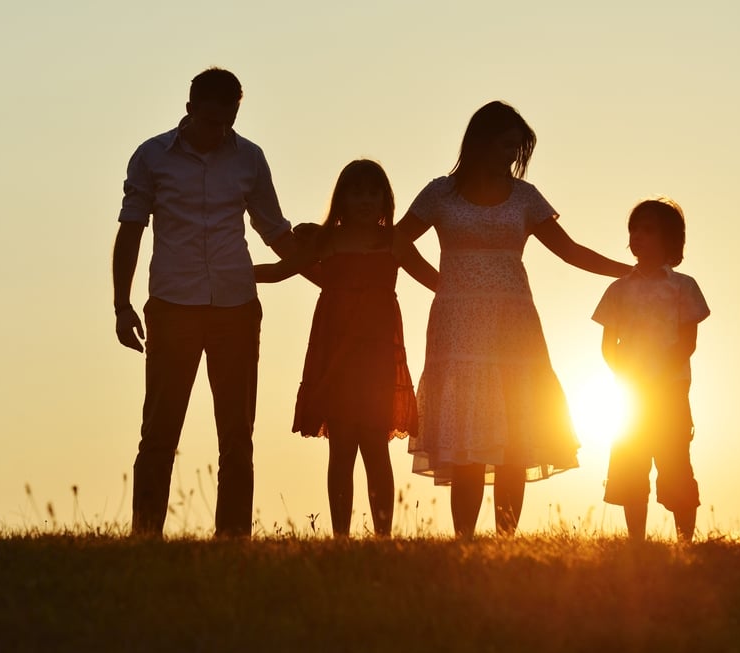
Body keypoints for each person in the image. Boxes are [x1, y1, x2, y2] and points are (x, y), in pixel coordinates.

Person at [393, 101, 632, 538]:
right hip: (457, 324)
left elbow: (570, 250)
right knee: (465, 441)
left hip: (513, 323)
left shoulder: (526, 197)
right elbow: (397, 242)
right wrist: (440, 283)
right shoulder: (440, 193)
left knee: (513, 440)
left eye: (517, 148)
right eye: (506, 145)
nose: (512, 155)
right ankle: (464, 541)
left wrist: (629, 271)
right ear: (481, 142)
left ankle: (506, 541)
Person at [112, 67, 301, 538]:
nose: (220, 131)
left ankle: (233, 539)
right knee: (159, 430)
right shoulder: (152, 156)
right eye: (212, 120)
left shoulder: (250, 159)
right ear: (190, 107)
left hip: (236, 308)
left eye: (228, 121)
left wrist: (330, 270)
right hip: (173, 305)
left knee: (237, 435)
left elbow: (274, 229)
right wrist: (121, 304)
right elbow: (131, 228)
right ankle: (145, 535)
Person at [255, 160, 436, 536]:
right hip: (335, 356)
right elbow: (278, 271)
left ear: (385, 199)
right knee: (340, 449)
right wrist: (232, 271)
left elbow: (437, 281)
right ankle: (340, 537)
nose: (365, 201)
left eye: (373, 193)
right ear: (342, 199)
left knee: (374, 445)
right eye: (356, 193)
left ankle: (383, 537)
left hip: (377, 358)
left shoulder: (394, 243)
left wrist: (482, 288)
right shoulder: (326, 242)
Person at [592, 198, 710, 542]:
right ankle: (636, 541)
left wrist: (658, 372)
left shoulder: (683, 286)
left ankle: (686, 539)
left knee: (675, 462)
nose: (637, 235)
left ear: (670, 239)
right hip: (630, 392)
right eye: (634, 229)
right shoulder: (618, 289)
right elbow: (607, 344)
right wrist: (625, 373)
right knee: (631, 463)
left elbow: (687, 341)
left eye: (648, 229)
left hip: (670, 391)